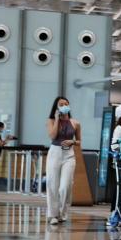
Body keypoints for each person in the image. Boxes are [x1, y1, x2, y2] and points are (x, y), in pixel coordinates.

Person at [45, 96, 81, 225]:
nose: (64, 105)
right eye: (61, 104)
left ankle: (62, 213)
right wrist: (56, 119)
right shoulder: (50, 121)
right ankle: (52, 215)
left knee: (66, 186)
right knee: (53, 185)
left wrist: (73, 141)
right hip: (55, 153)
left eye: (66, 103)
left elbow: (79, 141)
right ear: (57, 107)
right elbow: (52, 136)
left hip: (69, 155)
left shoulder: (75, 123)